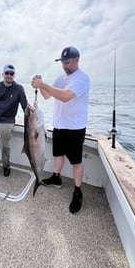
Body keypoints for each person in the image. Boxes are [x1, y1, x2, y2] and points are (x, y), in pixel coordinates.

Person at [31, 46, 90, 214]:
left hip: (74, 128)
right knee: (58, 155)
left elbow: (65, 96)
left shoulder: (82, 79)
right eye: (63, 62)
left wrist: (43, 84)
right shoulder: (60, 78)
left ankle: (78, 191)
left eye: (68, 62)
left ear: (77, 60)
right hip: (59, 126)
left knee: (76, 162)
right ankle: (56, 178)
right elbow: (46, 95)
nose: (64, 65)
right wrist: (40, 85)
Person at [0, 64, 28, 177]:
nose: (9, 75)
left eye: (11, 73)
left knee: (5, 147)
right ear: (3, 74)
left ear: (14, 76)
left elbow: (25, 107)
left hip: (7, 122)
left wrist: (33, 115)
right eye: (7, 73)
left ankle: (6, 166)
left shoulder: (19, 88)